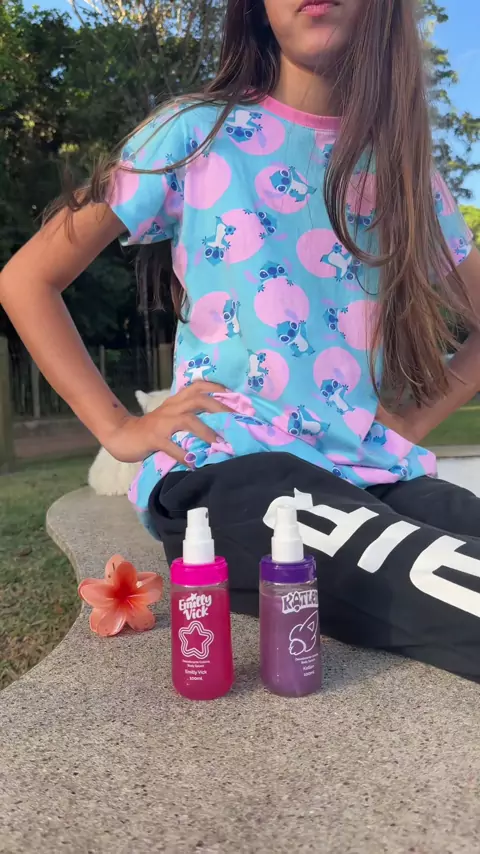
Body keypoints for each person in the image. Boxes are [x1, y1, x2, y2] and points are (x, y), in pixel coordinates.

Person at [2, 0, 480, 682]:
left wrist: (411, 424)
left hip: (374, 474)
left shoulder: (405, 172)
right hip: (233, 473)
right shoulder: (196, 132)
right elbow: (27, 279)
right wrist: (119, 429)